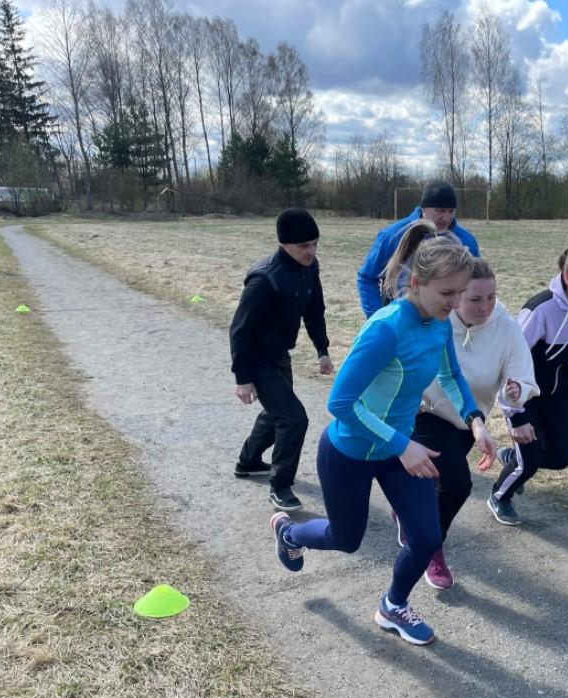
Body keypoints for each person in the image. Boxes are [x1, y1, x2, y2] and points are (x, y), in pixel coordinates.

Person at [270, 220, 497, 646]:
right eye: (446, 293)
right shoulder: (386, 328)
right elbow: (340, 403)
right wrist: (402, 444)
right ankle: (289, 533)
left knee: (427, 537)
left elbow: (451, 376)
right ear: (416, 282)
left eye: (459, 293)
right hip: (351, 451)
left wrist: (476, 421)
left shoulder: (440, 324)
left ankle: (393, 606)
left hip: (400, 450)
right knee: (346, 539)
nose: (454, 303)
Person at [413, 257, 539, 588]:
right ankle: (431, 547)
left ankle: (412, 514)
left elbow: (524, 374)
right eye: (475, 299)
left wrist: (517, 389)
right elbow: (402, 358)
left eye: (491, 297)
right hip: (425, 411)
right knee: (456, 484)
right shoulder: (436, 318)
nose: (485, 307)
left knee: (432, 481)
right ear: (456, 297)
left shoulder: (506, 325)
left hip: (471, 420)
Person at [490, 245, 568, 525]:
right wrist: (516, 414)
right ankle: (499, 496)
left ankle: (513, 458)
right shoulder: (540, 309)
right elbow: (507, 362)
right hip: (524, 395)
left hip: (558, 393)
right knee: (529, 462)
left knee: (559, 458)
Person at [230, 208, 333, 511]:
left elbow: (315, 312)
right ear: (285, 243)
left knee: (277, 413)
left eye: (315, 243)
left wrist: (322, 349)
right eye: (304, 245)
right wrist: (242, 377)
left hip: (279, 356)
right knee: (293, 418)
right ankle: (280, 486)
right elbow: (240, 329)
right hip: (257, 359)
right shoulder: (265, 279)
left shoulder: (309, 268)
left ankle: (248, 461)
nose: (311, 251)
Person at [356, 179, 480, 317]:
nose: (446, 217)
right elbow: (367, 278)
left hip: (447, 323)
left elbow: (476, 282)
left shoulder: (466, 240)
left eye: (451, 211)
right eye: (440, 210)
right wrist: (377, 317)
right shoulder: (393, 235)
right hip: (402, 321)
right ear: (423, 208)